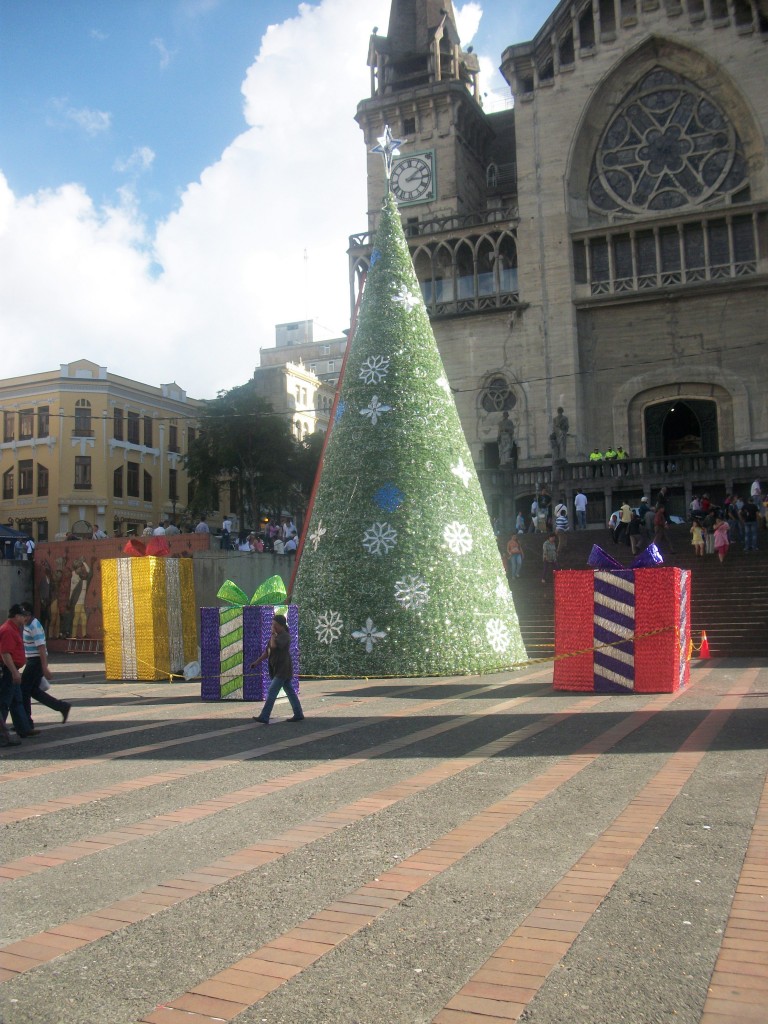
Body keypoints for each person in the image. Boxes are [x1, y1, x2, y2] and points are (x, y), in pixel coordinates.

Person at [19, 602, 71, 726]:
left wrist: (44, 667)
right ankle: (62, 706)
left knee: (24, 690)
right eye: (21, 615)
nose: (23, 617)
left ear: (29, 614)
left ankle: (26, 722)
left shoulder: (34, 626)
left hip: (36, 661)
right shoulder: (27, 625)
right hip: (32, 660)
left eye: (25, 615)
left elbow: (41, 647)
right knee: (33, 691)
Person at [250, 613, 303, 725]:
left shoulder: (285, 636)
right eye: (272, 625)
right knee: (290, 691)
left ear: (281, 626)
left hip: (283, 669)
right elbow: (267, 652)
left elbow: (274, 646)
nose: (273, 627)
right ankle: (298, 714)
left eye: (275, 625)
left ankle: (264, 716)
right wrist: (256, 662)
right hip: (276, 668)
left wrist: (273, 635)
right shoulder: (274, 637)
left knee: (272, 691)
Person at [0, 604, 38, 742]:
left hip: (12, 669)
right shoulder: (8, 630)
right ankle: (2, 735)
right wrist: (14, 672)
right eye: (22, 615)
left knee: (17, 700)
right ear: (16, 616)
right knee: (4, 702)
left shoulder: (14, 628)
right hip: (8, 670)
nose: (25, 617)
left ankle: (23, 728)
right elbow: (5, 654)